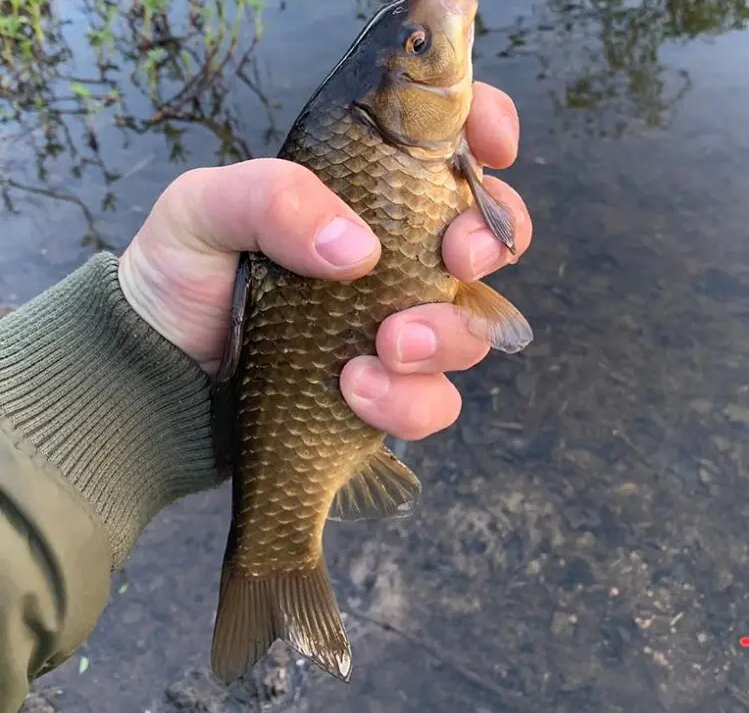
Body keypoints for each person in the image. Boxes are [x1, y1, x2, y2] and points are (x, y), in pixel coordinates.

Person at [0, 82, 531, 713]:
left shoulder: (430, 141)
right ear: (386, 102)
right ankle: (275, 569)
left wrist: (133, 363)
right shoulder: (403, 139)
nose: (434, 50)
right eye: (418, 47)